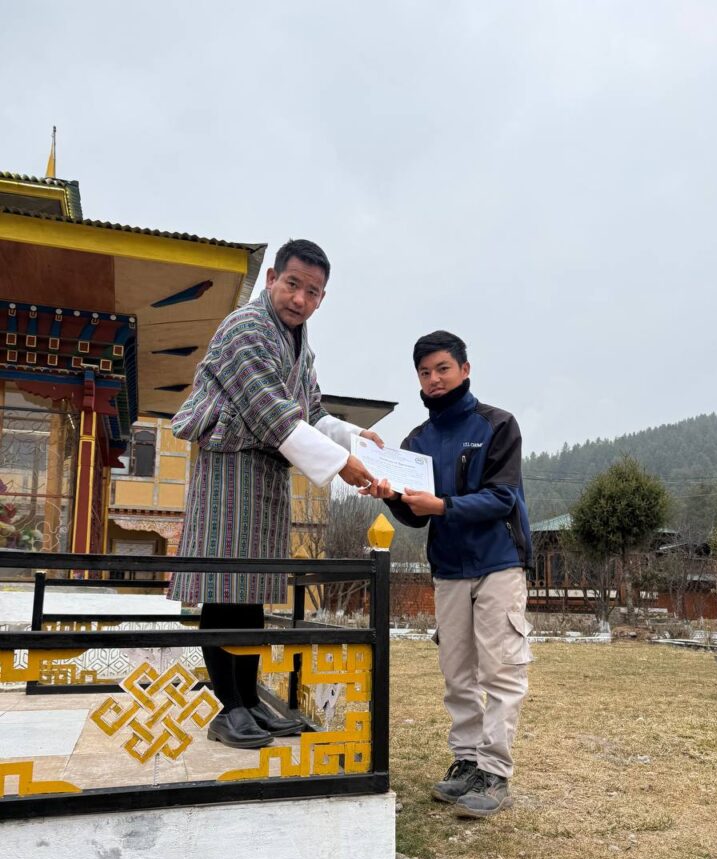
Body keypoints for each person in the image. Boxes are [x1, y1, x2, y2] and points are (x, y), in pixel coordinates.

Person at [168, 239, 380, 749]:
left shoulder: (299, 343)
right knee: (224, 587)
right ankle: (229, 707)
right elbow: (272, 412)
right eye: (292, 284)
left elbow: (312, 409)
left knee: (252, 591)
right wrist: (341, 464)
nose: (300, 299)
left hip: (267, 472)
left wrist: (354, 438)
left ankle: (249, 700)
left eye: (313, 291)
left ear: (322, 298)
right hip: (229, 467)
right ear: (271, 279)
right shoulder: (245, 328)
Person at [364, 331, 533, 818]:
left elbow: (502, 497)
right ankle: (466, 761)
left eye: (442, 368)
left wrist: (442, 505)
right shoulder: (416, 442)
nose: (434, 379)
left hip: (498, 562)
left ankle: (494, 772)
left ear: (464, 369)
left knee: (500, 671)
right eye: (424, 372)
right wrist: (392, 497)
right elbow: (416, 517)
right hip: (449, 568)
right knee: (457, 673)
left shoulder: (498, 425)